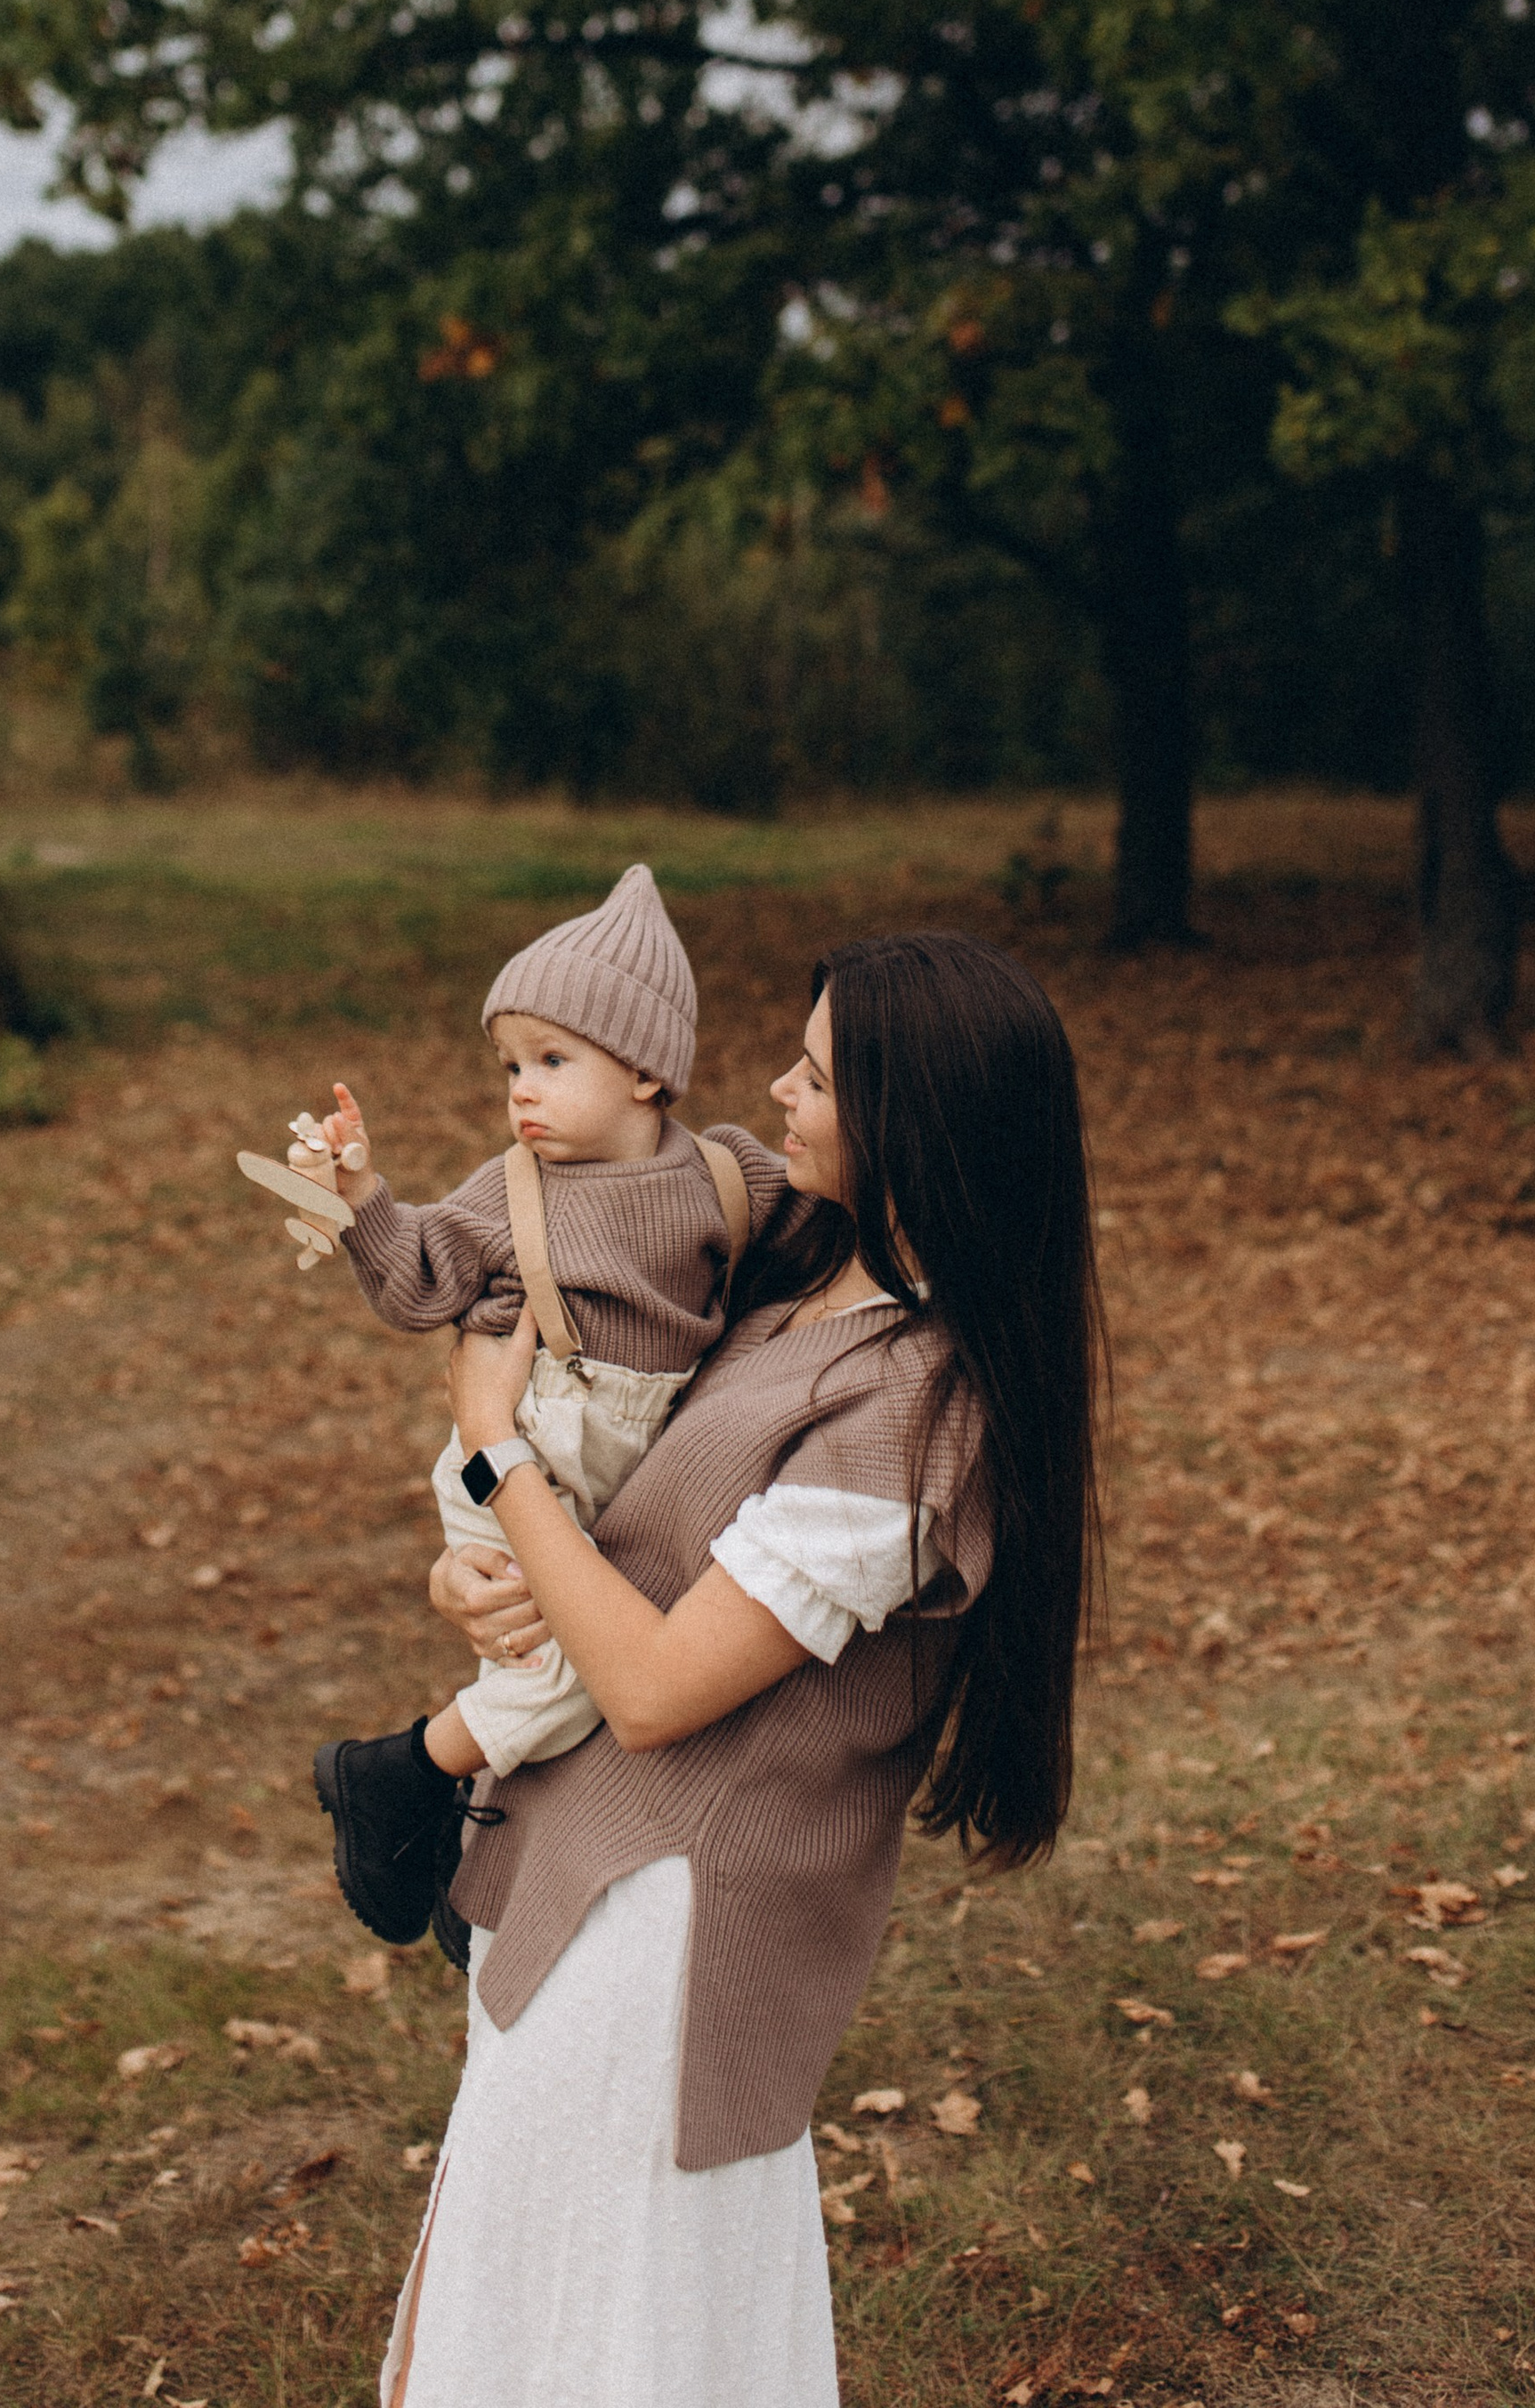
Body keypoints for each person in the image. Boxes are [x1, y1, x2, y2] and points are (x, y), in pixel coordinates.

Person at [381, 928, 1105, 2408]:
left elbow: (655, 1687)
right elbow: (626, 1537)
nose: (775, 1089)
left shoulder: (917, 1414)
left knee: (622, 2342)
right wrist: (484, 1564)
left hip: (672, 1942)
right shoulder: (797, 1283)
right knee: (527, 2315)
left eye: (819, 1075)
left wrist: (494, 1445)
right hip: (574, 1879)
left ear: (912, 1123)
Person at [289, 865, 791, 1959]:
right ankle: (397, 1781)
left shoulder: (728, 1175)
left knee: (609, 1665)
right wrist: (366, 1202)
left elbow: (813, 1243)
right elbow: (422, 1284)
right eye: (510, 1063)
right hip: (529, 1448)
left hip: (632, 1466)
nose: (521, 1089)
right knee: (563, 1674)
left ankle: (475, 1864)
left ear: (650, 1072)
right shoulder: (510, 1191)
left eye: (553, 1062)